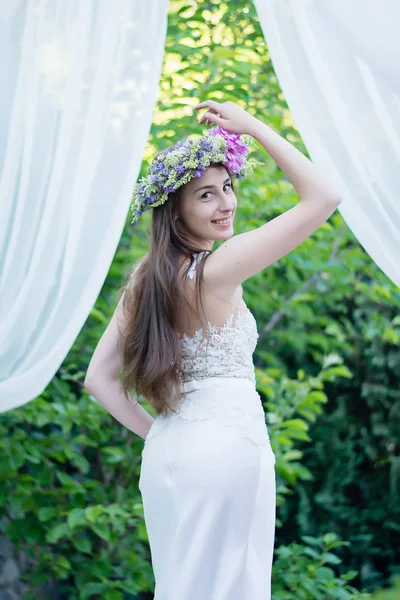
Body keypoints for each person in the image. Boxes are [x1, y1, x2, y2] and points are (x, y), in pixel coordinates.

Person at [84, 99, 342, 599]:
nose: (226, 203)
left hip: (169, 456)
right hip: (226, 448)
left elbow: (99, 380)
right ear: (175, 209)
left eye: (228, 187)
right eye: (206, 194)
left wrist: (162, 433)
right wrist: (252, 125)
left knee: (183, 586)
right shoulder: (216, 269)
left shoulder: (145, 279)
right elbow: (324, 197)